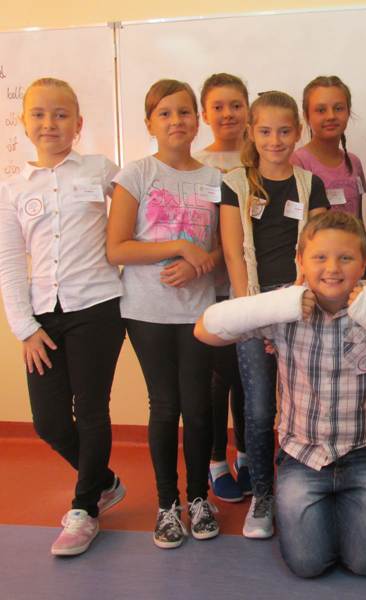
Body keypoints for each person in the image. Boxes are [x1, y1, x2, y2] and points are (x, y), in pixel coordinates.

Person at [195, 211, 366, 578]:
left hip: (364, 453)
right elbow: (205, 330)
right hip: (302, 456)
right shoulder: (284, 303)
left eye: (345, 258)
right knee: (308, 565)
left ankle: (340, 509)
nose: (332, 268)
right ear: (300, 261)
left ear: (363, 263)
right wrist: (278, 305)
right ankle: (329, 511)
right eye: (319, 257)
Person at [0, 77, 126, 557]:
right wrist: (25, 329)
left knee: (91, 410)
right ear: (23, 122)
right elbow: (10, 263)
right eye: (38, 114)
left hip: (98, 307)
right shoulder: (12, 189)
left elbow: (139, 216)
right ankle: (105, 481)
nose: (49, 123)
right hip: (43, 319)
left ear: (79, 123)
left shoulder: (100, 170)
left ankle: (84, 509)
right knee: (49, 422)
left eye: (60, 114)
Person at [106, 79, 222, 548]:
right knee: (165, 406)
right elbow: (117, 248)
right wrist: (178, 246)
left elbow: (222, 248)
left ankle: (199, 499)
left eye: (185, 112)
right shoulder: (136, 173)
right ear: (150, 123)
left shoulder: (216, 178)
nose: (177, 121)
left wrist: (200, 263)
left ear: (197, 120)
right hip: (146, 312)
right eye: (165, 113)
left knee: (198, 408)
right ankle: (167, 504)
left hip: (198, 310)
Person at [219, 90, 328, 538]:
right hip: (253, 308)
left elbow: (319, 249)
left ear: (298, 132)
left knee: (305, 404)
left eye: (284, 131)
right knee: (261, 407)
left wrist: (298, 302)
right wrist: (256, 314)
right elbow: (233, 253)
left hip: (302, 306)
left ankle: (304, 489)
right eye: (265, 131)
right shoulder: (235, 183)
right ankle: (263, 494)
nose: (275, 140)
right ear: (251, 132)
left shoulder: (310, 184)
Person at [195, 73, 251, 502]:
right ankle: (217, 460)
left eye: (236, 105)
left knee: (248, 379)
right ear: (204, 114)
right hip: (209, 290)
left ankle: (248, 455)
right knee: (218, 380)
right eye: (218, 106)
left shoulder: (262, 156)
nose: (228, 114)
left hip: (251, 290)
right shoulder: (197, 164)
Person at [291, 75, 366, 218]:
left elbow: (359, 219)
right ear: (306, 116)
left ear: (348, 111)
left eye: (338, 108)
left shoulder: (354, 163)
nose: (331, 116)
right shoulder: (298, 162)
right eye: (321, 110)